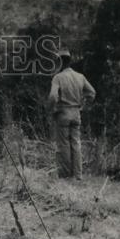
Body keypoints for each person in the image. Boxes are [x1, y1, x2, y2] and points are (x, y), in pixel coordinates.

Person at [48, 48, 96, 180]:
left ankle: (65, 175)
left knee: (63, 144)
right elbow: (92, 93)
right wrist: (83, 106)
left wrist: (53, 109)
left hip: (63, 113)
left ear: (60, 62)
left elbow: (52, 97)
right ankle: (78, 175)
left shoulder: (58, 77)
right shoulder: (80, 77)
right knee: (76, 143)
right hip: (76, 113)